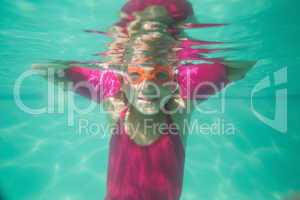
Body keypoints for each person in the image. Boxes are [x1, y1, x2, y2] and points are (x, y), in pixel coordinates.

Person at [32, 0, 255, 199]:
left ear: (172, 81)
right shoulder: (115, 102)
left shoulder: (179, 108)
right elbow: (43, 69)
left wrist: (186, 48)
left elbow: (244, 64)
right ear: (124, 79)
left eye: (160, 75)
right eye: (136, 75)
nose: (148, 87)